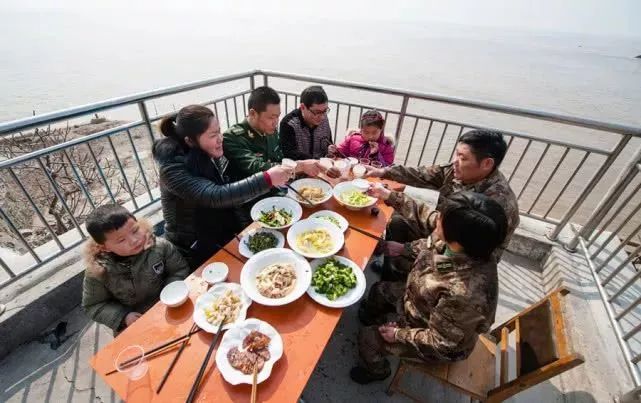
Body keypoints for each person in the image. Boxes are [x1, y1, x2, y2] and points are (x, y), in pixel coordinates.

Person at [351, 191, 508, 384]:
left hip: (435, 340)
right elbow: (436, 252)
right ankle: (373, 318)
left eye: (441, 218)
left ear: (457, 238)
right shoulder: (466, 247)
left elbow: (442, 343)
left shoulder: (464, 295)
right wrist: (404, 247)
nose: (436, 219)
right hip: (422, 303)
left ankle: (377, 371)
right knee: (379, 291)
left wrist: (399, 334)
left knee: (367, 339)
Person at [153, 105, 293, 269]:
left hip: (220, 233)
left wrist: (242, 229)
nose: (221, 138)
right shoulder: (171, 169)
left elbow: (230, 193)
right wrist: (267, 178)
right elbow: (214, 195)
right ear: (190, 141)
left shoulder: (208, 153)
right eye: (213, 135)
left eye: (219, 131)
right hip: (193, 247)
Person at [367, 130, 519, 279]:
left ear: (487, 163)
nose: (455, 161)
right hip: (443, 231)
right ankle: (392, 271)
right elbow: (422, 174)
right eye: (456, 154)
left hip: (460, 263)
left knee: (412, 270)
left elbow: (461, 253)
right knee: (397, 223)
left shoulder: (495, 205)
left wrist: (406, 250)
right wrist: (384, 172)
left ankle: (406, 281)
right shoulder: (458, 170)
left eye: (463, 158)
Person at [81, 204, 190, 334]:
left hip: (170, 307)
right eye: (121, 240)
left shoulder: (159, 247)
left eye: (135, 230)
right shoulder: (98, 271)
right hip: (136, 324)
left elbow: (179, 269)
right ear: (104, 247)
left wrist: (171, 292)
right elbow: (93, 305)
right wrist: (123, 317)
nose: (134, 240)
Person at [223, 86, 320, 181]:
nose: (276, 122)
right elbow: (257, 168)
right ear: (253, 114)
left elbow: (280, 159)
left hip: (279, 185)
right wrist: (300, 166)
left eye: (278, 116)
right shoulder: (232, 138)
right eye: (271, 117)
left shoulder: (269, 130)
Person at [279, 85, 334, 160]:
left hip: (323, 164)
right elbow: (289, 155)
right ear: (303, 107)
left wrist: (330, 149)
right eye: (317, 112)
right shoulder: (289, 124)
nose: (322, 117)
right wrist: (316, 162)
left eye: (325, 111)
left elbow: (328, 142)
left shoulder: (324, 117)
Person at [329, 109, 395, 166]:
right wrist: (335, 151)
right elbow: (341, 154)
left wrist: (375, 154)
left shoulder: (386, 147)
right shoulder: (352, 139)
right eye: (366, 132)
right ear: (361, 130)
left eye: (374, 132)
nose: (370, 136)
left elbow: (386, 169)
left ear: (381, 130)